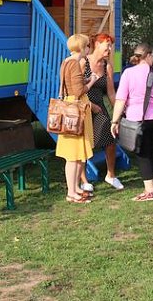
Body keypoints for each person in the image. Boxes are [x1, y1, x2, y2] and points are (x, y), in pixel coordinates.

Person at [110, 43, 153, 202]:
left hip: (138, 118)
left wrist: (115, 120)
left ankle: (149, 191)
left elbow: (121, 100)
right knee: (152, 150)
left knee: (142, 154)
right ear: (148, 55)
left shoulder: (129, 73)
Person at [56, 34, 99, 204]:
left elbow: (72, 84)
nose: (89, 48)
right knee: (72, 156)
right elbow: (79, 91)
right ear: (83, 48)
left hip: (70, 107)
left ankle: (76, 189)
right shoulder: (75, 63)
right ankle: (71, 192)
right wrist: (92, 82)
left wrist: (86, 79)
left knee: (75, 155)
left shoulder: (66, 61)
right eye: (88, 45)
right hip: (75, 111)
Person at [80, 33, 123, 191]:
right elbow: (76, 89)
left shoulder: (107, 66)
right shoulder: (83, 62)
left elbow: (111, 93)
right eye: (107, 45)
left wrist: (118, 112)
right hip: (83, 106)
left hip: (99, 106)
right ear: (97, 44)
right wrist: (89, 105)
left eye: (111, 45)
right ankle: (84, 180)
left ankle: (110, 175)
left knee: (110, 139)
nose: (110, 48)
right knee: (83, 144)